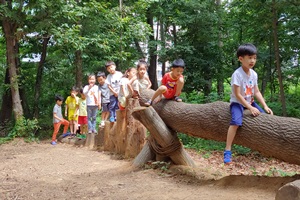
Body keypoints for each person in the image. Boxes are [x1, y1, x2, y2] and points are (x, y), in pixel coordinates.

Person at [224, 43, 273, 164]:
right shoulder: (237, 74)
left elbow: (256, 91)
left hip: (250, 101)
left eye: (254, 58)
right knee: (236, 122)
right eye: (249, 57)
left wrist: (265, 106)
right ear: (241, 59)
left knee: (265, 119)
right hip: (237, 103)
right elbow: (237, 95)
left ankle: (264, 148)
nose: (252, 60)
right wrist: (250, 108)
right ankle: (227, 150)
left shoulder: (254, 74)